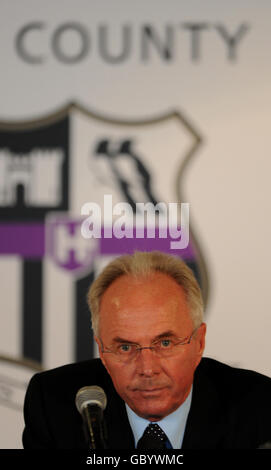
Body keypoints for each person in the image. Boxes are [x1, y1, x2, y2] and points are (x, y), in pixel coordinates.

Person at [23, 251, 271, 449]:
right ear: (102, 352)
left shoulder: (259, 409)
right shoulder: (54, 406)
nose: (147, 369)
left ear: (199, 343)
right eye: (125, 347)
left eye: (165, 343)